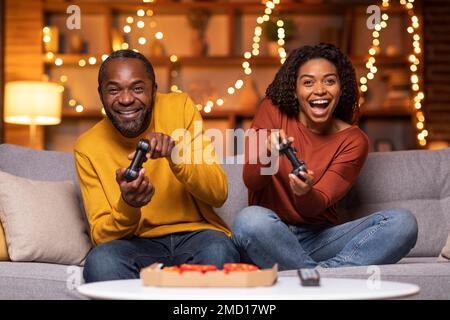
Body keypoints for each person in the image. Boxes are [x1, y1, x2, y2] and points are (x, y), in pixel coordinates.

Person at [232, 43, 418, 271]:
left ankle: (318, 276)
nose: (319, 90)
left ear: (341, 88)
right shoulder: (272, 110)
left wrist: (305, 192)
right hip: (270, 236)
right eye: (308, 82)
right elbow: (252, 181)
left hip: (319, 240)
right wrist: (265, 151)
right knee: (249, 220)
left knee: (403, 223)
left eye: (329, 81)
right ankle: (327, 279)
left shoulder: (354, 140)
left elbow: (313, 208)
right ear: (295, 89)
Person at [75, 50, 239, 282]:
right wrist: (129, 204)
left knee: (219, 251)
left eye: (138, 88)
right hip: (134, 244)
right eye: (114, 90)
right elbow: (101, 236)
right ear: (101, 94)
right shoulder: (87, 147)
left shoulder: (180, 107)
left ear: (153, 89)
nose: (125, 99)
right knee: (102, 261)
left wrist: (175, 155)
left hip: (196, 235)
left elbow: (218, 193)